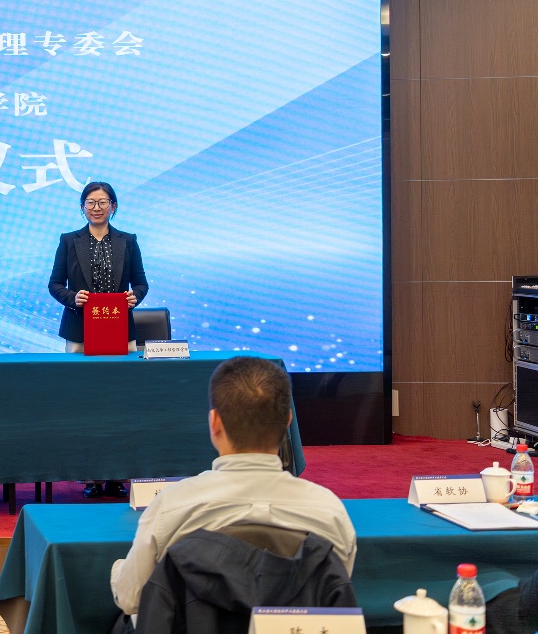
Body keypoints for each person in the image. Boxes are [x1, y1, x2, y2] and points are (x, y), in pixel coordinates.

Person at [110, 356, 356, 619]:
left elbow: (131, 599)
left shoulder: (172, 506)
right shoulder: (328, 512)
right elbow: (333, 593)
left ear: (214, 422)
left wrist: (117, 570)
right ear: (287, 421)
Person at [48, 180, 149, 498]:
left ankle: (119, 475)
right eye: (90, 202)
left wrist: (134, 298)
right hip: (79, 330)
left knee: (121, 402)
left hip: (119, 330)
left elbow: (141, 283)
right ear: (82, 207)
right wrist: (72, 297)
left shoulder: (128, 241)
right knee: (84, 402)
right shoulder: (69, 240)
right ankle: (90, 475)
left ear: (113, 206)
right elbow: (54, 284)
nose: (96, 207)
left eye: (103, 202)